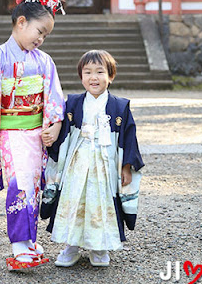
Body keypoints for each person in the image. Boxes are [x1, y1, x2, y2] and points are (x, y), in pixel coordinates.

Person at [0, 0, 65, 270]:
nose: (41, 38)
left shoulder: (44, 61)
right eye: (39, 31)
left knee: (33, 186)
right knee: (20, 185)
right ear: (21, 22)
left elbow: (55, 99)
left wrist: (55, 127)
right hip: (9, 133)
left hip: (36, 134)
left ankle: (29, 240)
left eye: (45, 35)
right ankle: (20, 248)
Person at [41, 49, 144, 267]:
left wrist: (126, 166)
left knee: (101, 202)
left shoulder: (120, 106)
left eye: (99, 72)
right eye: (87, 72)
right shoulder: (73, 103)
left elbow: (129, 136)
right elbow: (60, 125)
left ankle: (99, 247)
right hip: (77, 161)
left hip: (105, 162)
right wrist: (51, 135)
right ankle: (71, 246)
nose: (93, 77)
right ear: (81, 77)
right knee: (73, 199)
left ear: (111, 76)